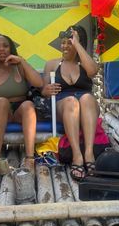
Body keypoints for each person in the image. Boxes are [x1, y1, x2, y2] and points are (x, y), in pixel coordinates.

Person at [41, 25, 99, 180]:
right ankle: (77, 156)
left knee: (86, 98)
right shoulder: (52, 64)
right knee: (72, 101)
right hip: (63, 104)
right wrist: (46, 90)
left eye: (70, 42)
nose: (65, 46)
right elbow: (42, 91)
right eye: (63, 42)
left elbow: (93, 71)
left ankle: (89, 153)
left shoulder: (85, 64)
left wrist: (77, 44)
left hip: (86, 106)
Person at [0, 34, 43, 175]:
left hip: (20, 110)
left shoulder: (19, 65)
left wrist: (21, 61)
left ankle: (29, 159)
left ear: (11, 48)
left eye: (5, 46)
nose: (1, 49)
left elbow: (39, 83)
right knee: (1, 101)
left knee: (28, 105)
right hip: (2, 110)